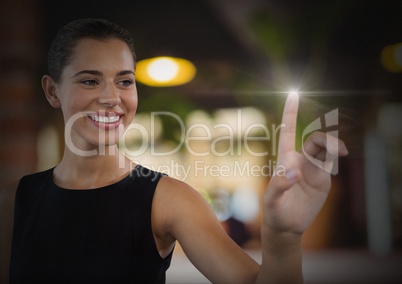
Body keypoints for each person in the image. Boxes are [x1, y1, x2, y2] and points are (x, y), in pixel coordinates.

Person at [0, 18, 348, 283]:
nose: (112, 97)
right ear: (52, 91)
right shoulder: (18, 199)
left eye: (124, 80)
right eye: (90, 80)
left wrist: (284, 236)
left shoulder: (168, 199)